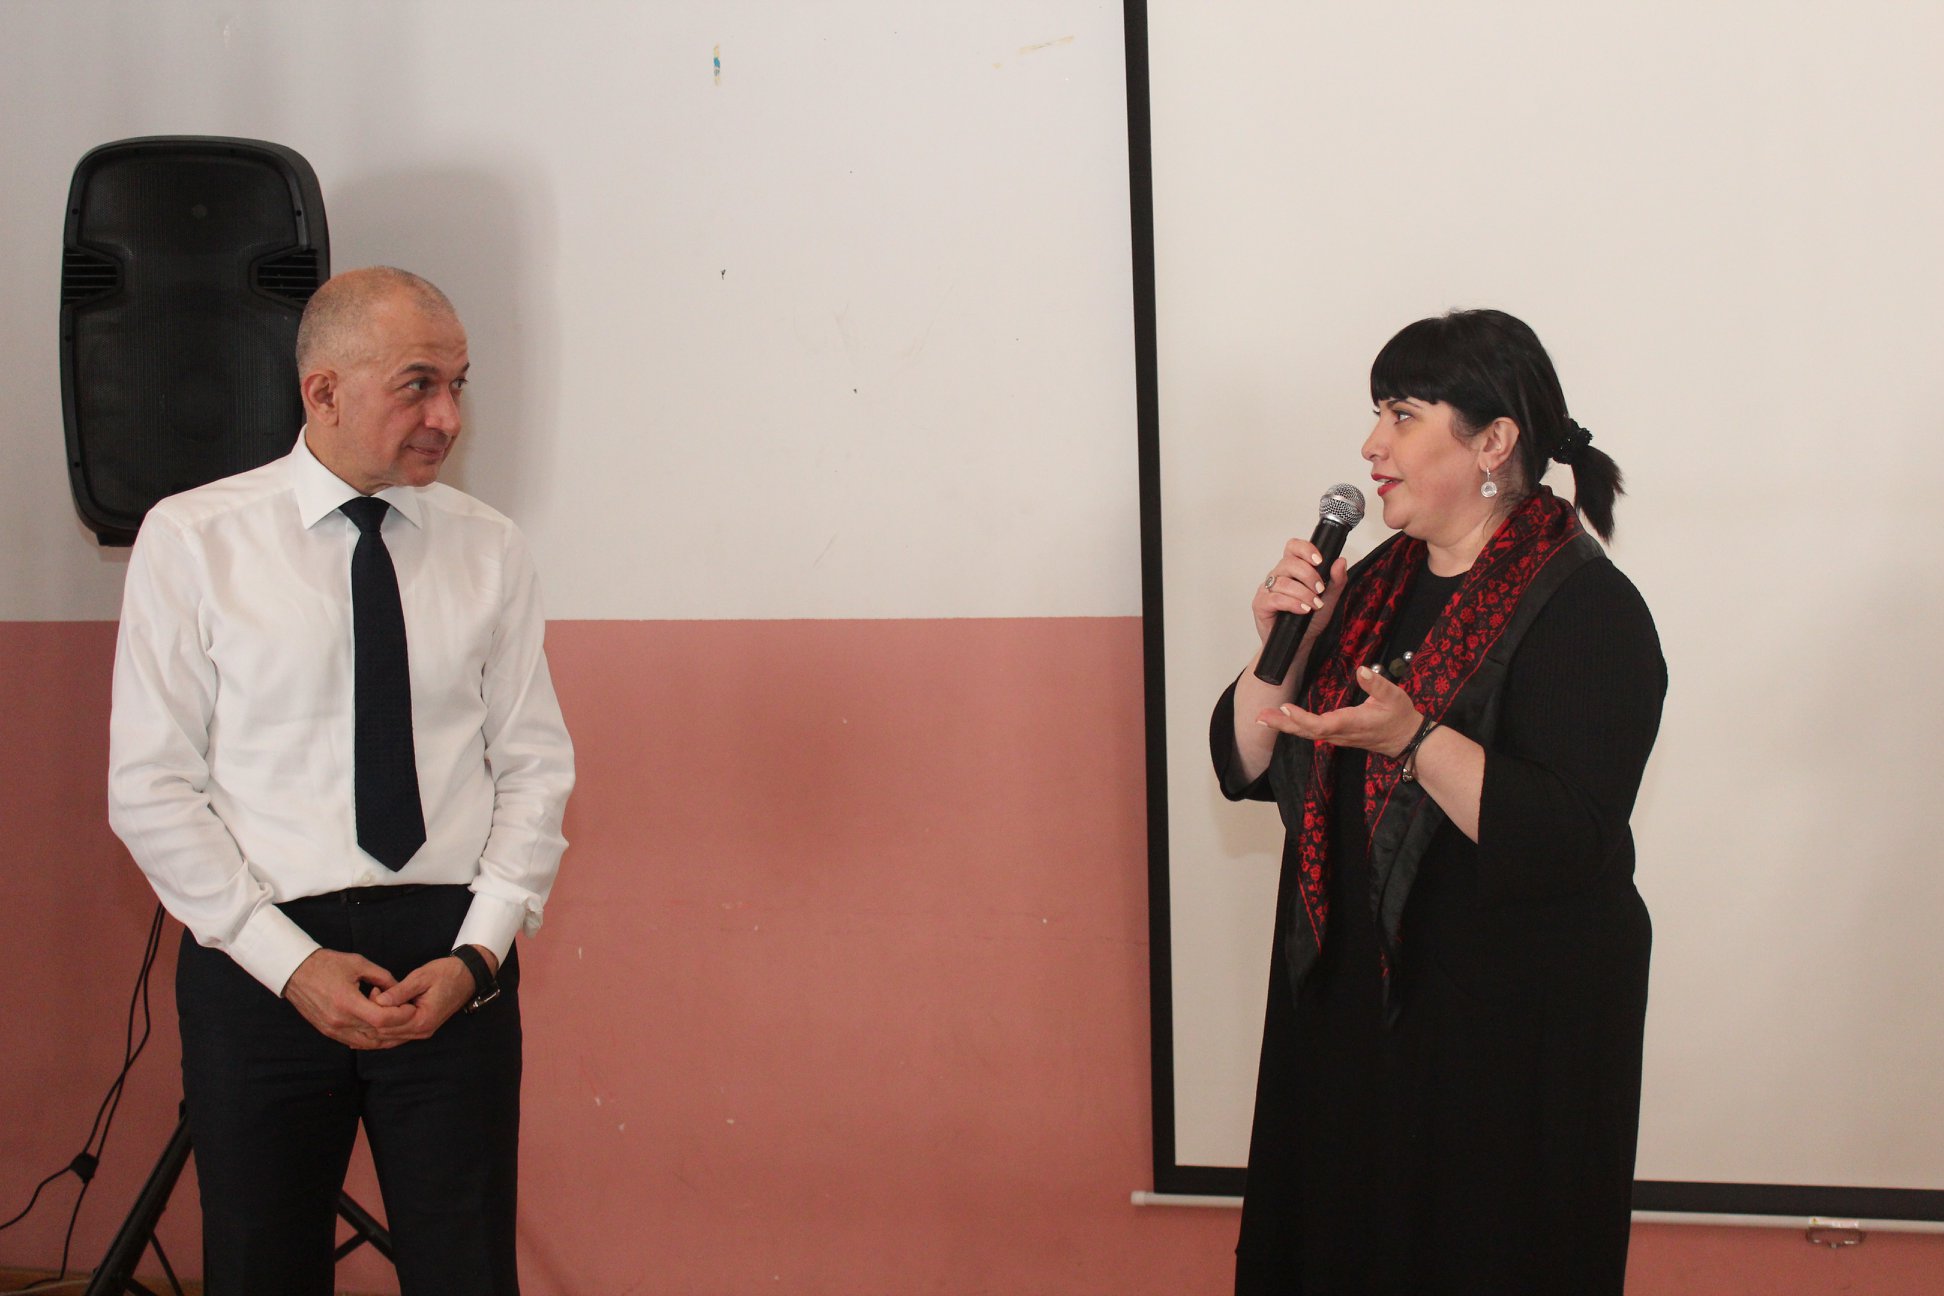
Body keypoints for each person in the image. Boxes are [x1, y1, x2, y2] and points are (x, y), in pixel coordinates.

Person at [107, 266, 574, 1295]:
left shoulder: (489, 549)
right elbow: (150, 786)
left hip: (452, 962)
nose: (448, 417)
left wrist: (479, 954)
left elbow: (534, 768)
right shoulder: (194, 541)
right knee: (262, 1267)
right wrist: (289, 963)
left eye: (457, 384)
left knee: (466, 1270)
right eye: (418, 385)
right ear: (322, 390)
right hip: (261, 963)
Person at [1210, 309, 1665, 1294]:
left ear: (1494, 442)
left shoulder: (1588, 607)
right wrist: (1284, 645)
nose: (1372, 446)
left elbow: (1567, 838)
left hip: (1502, 1049)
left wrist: (1414, 740)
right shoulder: (1371, 587)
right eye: (1377, 414)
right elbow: (1243, 761)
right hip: (1350, 1020)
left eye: (1404, 416)